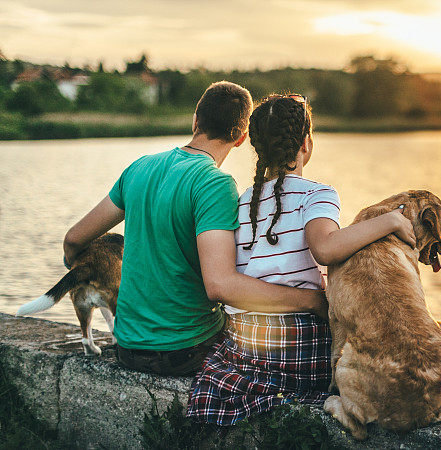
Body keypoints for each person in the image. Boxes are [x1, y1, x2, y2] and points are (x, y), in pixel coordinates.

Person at [62, 82, 327, 376]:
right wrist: (311, 300)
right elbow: (220, 286)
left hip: (128, 347)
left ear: (195, 120)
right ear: (240, 139)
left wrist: (82, 267)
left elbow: (74, 239)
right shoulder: (214, 184)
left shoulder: (139, 168)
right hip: (186, 350)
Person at [186, 94, 415, 425]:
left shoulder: (244, 199)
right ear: (306, 144)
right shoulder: (317, 194)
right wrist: (390, 220)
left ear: (256, 147)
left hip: (249, 341)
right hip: (301, 344)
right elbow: (325, 248)